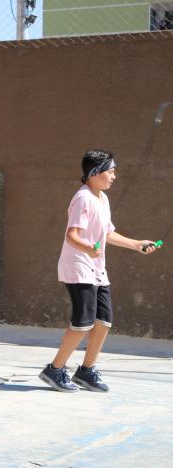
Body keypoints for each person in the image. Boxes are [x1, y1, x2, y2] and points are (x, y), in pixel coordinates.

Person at [39, 149, 161, 393]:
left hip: (96, 269)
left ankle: (86, 372)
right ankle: (54, 369)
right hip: (78, 267)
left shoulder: (102, 199)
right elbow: (72, 235)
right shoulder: (82, 199)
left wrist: (137, 244)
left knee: (104, 322)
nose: (114, 176)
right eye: (110, 171)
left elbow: (106, 233)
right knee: (83, 323)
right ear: (95, 173)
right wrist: (89, 248)